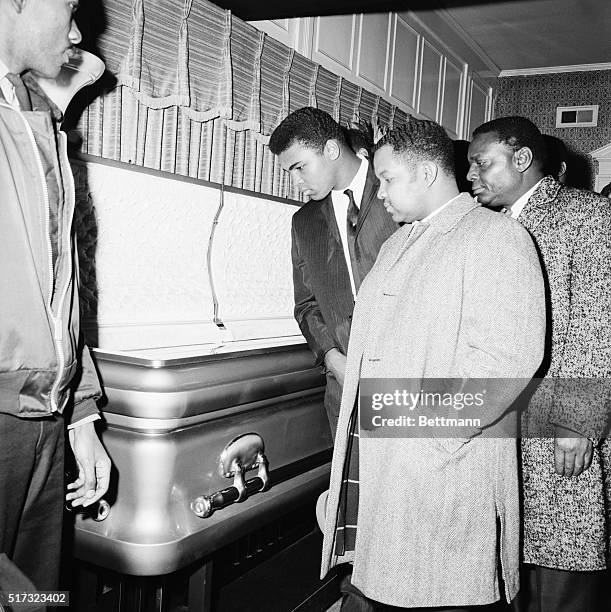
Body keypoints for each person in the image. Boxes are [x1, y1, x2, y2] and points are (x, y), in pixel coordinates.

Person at [320, 117, 546, 610]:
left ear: (426, 174)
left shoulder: (497, 237)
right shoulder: (399, 242)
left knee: (442, 594)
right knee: (384, 589)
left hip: (445, 467)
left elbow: (507, 359)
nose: (379, 193)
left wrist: (431, 436)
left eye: (388, 178)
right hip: (390, 463)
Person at [467, 116, 611, 612]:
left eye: (481, 164)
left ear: (522, 159)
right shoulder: (487, 226)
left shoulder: (586, 215)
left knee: (563, 565)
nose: (471, 176)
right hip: (503, 422)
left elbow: (598, 321)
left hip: (559, 423)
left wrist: (578, 420)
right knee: (513, 563)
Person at [0, 0, 111, 595]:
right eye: (67, 5)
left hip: (45, 416)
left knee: (34, 596)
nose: (76, 29)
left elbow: (60, 287)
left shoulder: (37, 118)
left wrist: (81, 416)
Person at [269, 107, 397, 437]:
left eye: (299, 167)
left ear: (330, 150)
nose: (296, 182)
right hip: (343, 391)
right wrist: (331, 357)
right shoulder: (304, 222)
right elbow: (306, 304)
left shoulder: (398, 190)